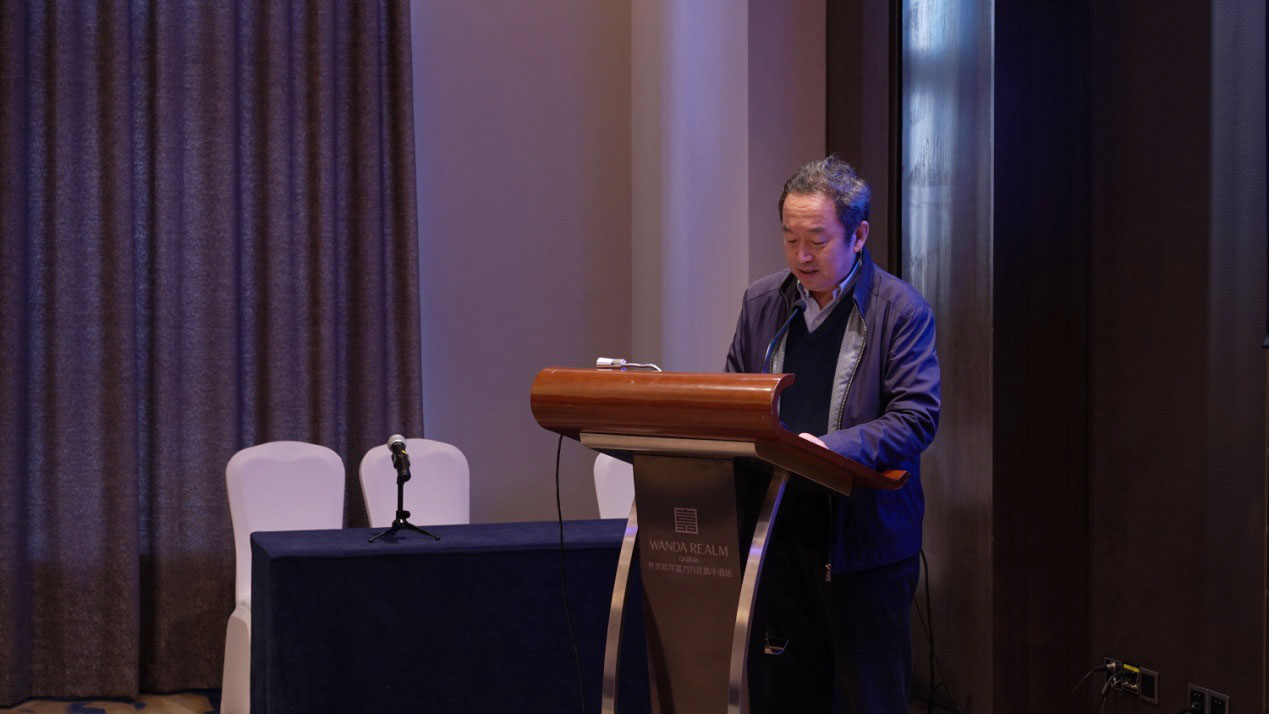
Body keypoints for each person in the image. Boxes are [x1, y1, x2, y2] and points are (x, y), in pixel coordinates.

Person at [725, 156, 940, 712]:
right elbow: (735, 401)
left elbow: (916, 416)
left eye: (817, 241)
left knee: (869, 699)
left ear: (859, 235)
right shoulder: (761, 303)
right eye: (790, 239)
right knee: (787, 699)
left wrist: (826, 450)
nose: (801, 256)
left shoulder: (899, 310)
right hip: (778, 535)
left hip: (863, 545)